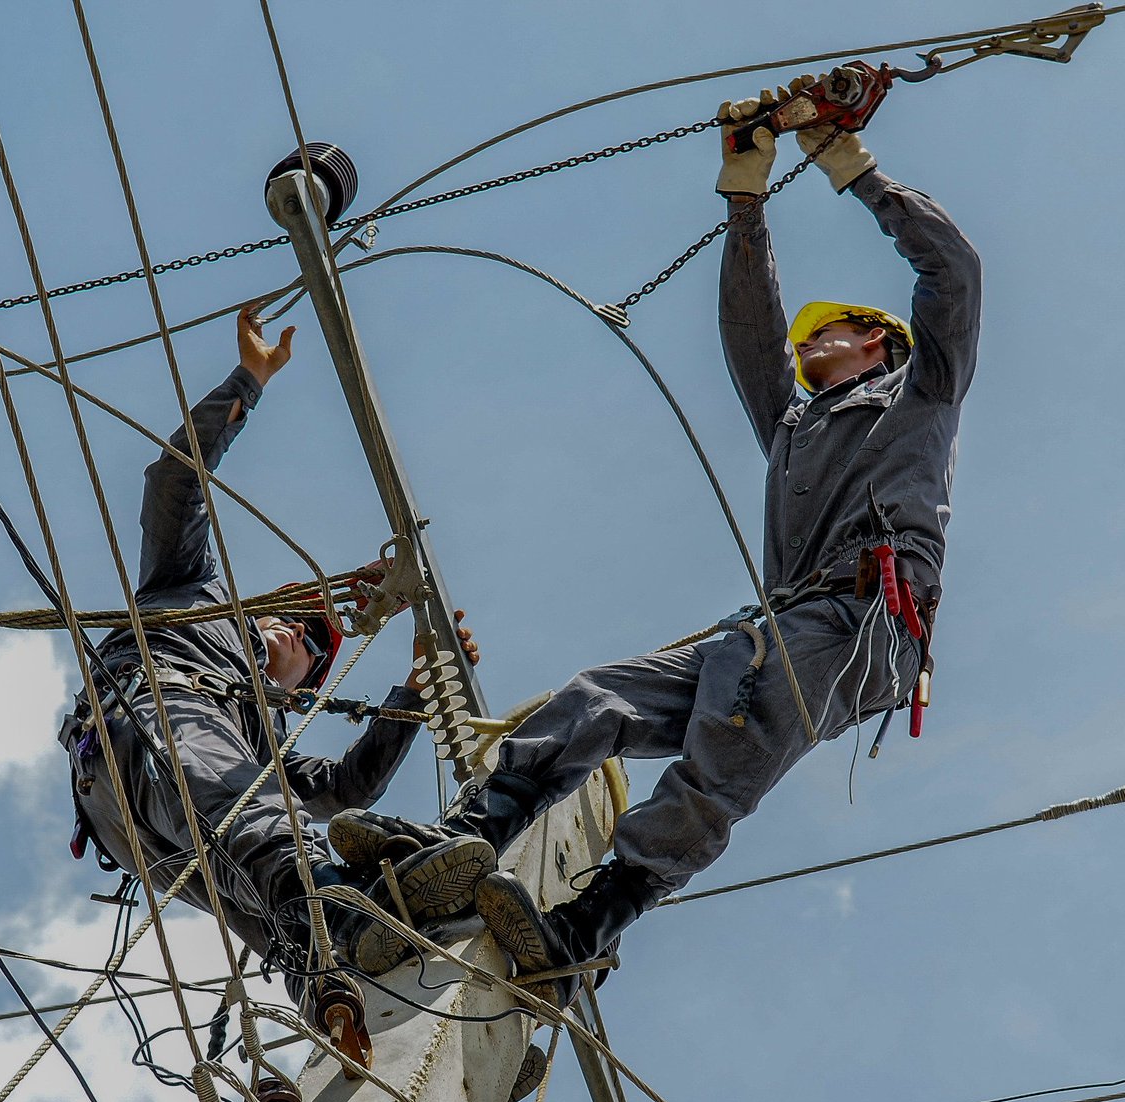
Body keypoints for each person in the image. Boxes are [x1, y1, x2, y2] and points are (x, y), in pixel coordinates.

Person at [328, 84, 983, 1006]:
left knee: (726, 750)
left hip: (862, 620)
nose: (804, 345)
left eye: (824, 332)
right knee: (595, 697)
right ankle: (459, 838)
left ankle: (588, 925)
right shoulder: (795, 429)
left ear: (876, 343)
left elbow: (952, 273)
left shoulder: (922, 394)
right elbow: (748, 331)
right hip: (775, 625)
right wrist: (743, 195)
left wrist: (850, 167)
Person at [59, 308, 492, 993]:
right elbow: (171, 484)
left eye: (314, 646)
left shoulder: (261, 744)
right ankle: (343, 911)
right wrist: (248, 381)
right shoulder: (190, 592)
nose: (300, 632)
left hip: (144, 828)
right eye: (294, 617)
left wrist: (413, 691)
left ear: (303, 690)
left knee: (260, 893)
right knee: (262, 826)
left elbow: (349, 787)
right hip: (150, 726)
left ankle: (331, 986)